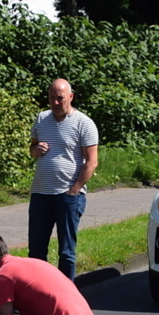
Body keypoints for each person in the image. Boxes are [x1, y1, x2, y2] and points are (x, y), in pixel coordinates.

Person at [28, 78, 99, 282]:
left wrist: (75, 189)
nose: (56, 103)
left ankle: (66, 296)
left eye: (60, 98)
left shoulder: (84, 123)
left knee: (66, 251)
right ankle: (38, 292)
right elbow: (32, 149)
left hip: (67, 196)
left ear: (70, 96)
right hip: (41, 193)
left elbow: (92, 162)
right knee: (36, 250)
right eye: (52, 98)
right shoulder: (41, 119)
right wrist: (36, 150)